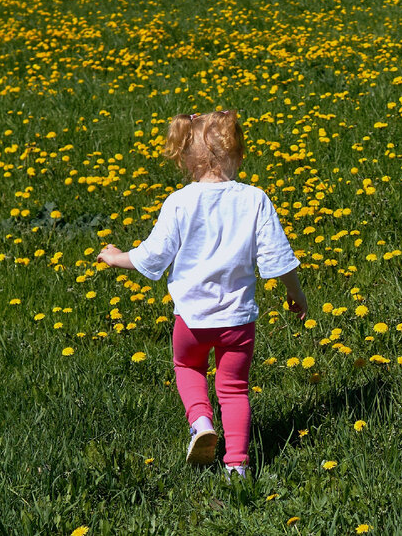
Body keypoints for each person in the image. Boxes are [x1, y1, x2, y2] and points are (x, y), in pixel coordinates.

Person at [96, 110, 307, 478]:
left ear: (186, 160)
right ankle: (237, 465)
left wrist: (116, 258)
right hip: (238, 321)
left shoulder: (179, 202)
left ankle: (201, 421)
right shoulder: (255, 199)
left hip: (191, 319)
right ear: (237, 155)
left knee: (188, 367)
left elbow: (152, 256)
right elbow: (278, 259)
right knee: (235, 390)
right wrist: (296, 294)